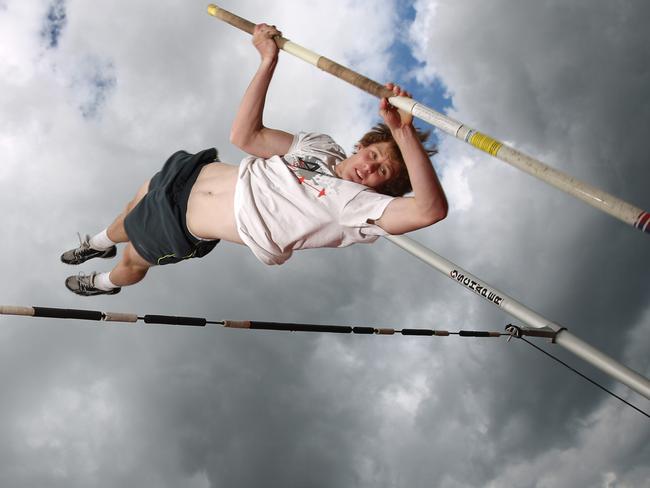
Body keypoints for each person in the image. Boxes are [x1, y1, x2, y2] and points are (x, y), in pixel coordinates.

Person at [61, 23, 448, 296]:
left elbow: (429, 212)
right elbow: (245, 136)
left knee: (132, 260)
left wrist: (403, 133)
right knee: (129, 211)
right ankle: (96, 243)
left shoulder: (359, 208)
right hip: (191, 175)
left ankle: (103, 284)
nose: (371, 167)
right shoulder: (322, 145)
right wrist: (267, 61)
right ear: (364, 145)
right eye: (376, 155)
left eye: (382, 173)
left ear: (383, 187)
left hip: (180, 225)